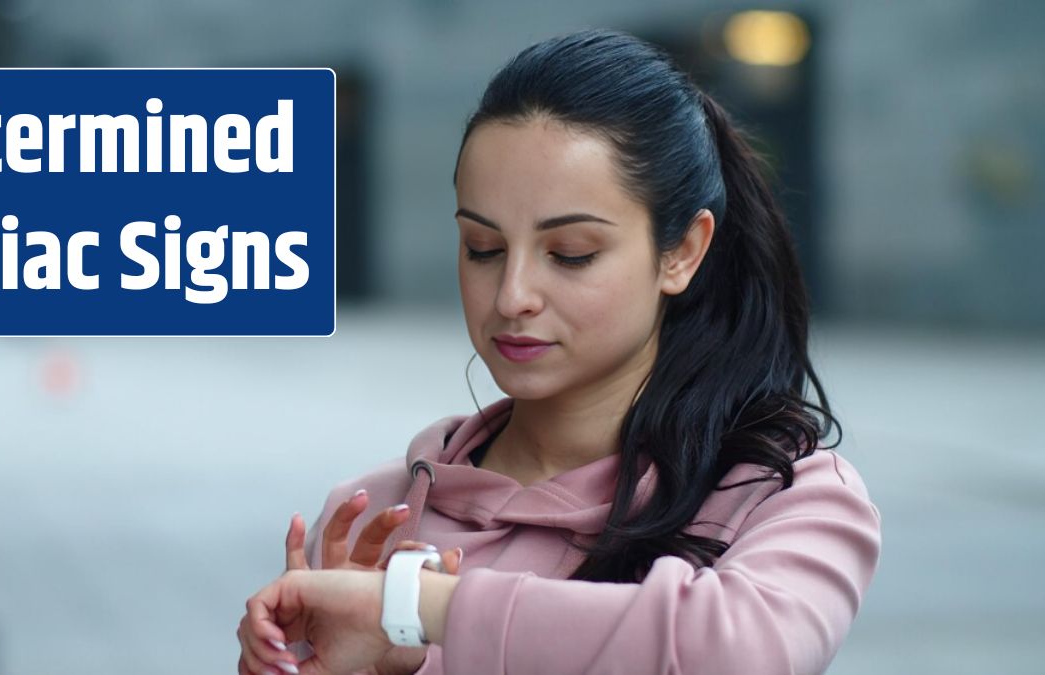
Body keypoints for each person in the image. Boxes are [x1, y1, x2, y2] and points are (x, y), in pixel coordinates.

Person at [236, 29, 881, 675]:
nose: (512, 295)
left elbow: (736, 652)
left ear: (682, 251)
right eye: (483, 248)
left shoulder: (781, 497)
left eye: (571, 253)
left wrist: (417, 604)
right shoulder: (373, 516)